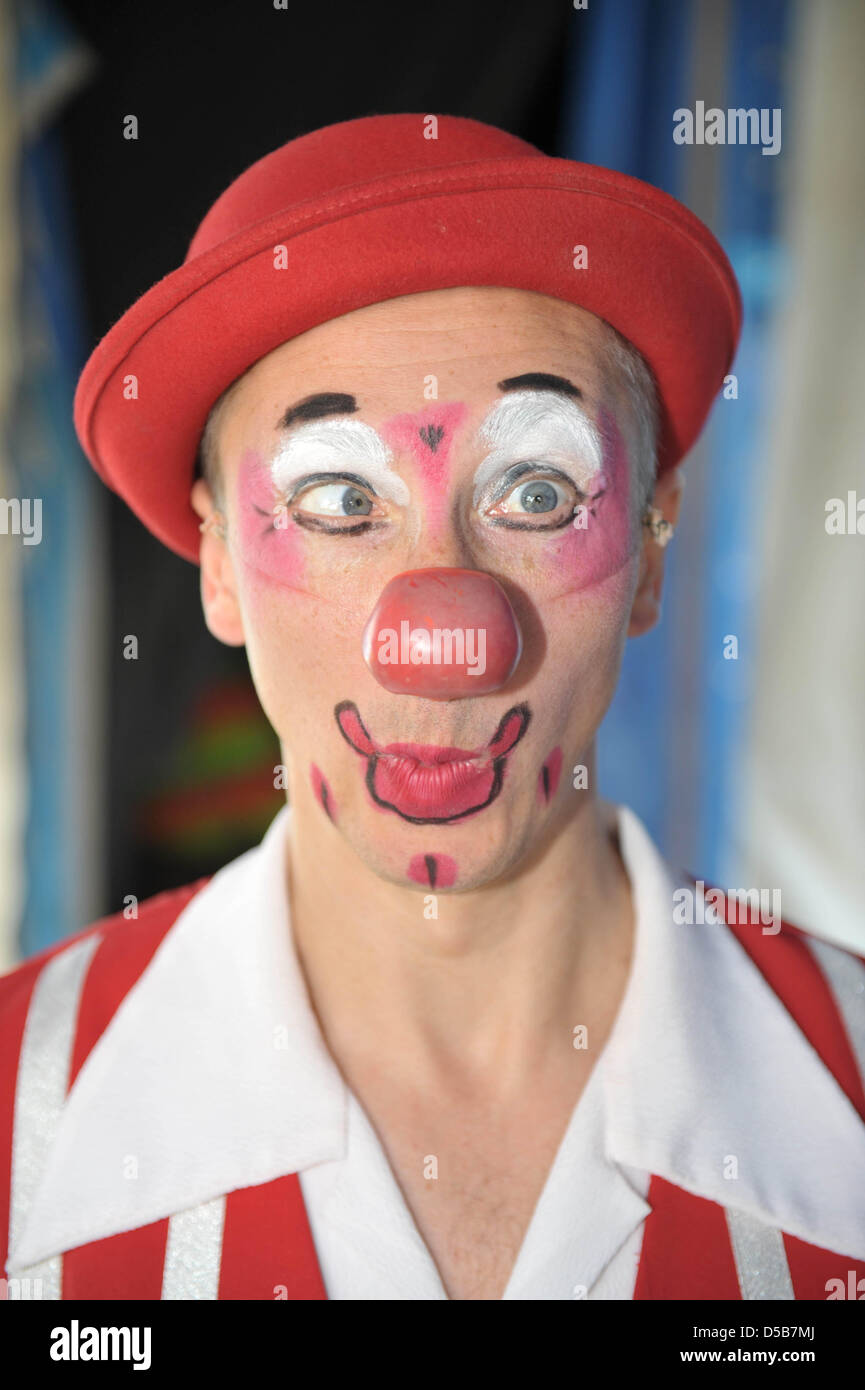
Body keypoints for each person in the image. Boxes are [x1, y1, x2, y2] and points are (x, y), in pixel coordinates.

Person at [2, 114, 864, 1303]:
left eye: (536, 490)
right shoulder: (16, 1108)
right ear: (215, 565)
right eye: (339, 499)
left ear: (653, 552)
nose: (442, 642)